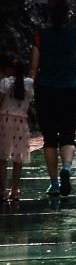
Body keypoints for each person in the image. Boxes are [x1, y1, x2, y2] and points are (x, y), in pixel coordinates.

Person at [30, 0, 76, 202]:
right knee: (68, 136)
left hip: (45, 91)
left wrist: (30, 87)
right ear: (67, 13)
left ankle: (54, 182)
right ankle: (66, 167)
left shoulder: (40, 35)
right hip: (69, 90)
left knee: (49, 140)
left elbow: (34, 67)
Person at [0, 54, 32, 210]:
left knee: (2, 158)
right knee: (18, 158)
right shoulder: (28, 84)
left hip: (4, 121)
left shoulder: (5, 83)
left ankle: (2, 191)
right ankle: (15, 190)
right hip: (21, 123)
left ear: (8, 69)